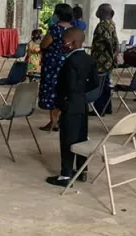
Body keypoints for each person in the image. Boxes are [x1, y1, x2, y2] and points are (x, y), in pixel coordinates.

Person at [46, 27, 98, 187]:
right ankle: (82, 171)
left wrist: (61, 102)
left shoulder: (69, 61)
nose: (62, 44)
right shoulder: (89, 59)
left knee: (67, 140)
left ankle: (65, 175)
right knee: (81, 139)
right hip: (82, 104)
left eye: (64, 41)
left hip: (69, 105)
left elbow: (66, 85)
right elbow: (95, 83)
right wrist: (80, 93)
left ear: (73, 43)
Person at [39, 3, 73, 132]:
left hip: (53, 65)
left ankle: (53, 121)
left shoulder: (55, 29)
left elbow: (44, 44)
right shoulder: (73, 29)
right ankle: (59, 119)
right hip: (67, 63)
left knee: (52, 91)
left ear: (58, 14)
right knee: (63, 91)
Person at [91, 3, 119, 116]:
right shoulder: (112, 23)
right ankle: (107, 107)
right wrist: (114, 55)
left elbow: (107, 41)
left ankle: (99, 109)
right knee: (106, 84)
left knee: (100, 85)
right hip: (108, 61)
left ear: (102, 11)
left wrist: (111, 53)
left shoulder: (102, 25)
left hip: (101, 60)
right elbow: (115, 41)